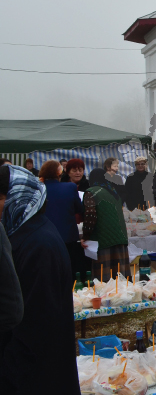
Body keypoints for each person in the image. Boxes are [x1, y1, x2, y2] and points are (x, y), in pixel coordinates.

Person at [0, 165, 80, 394]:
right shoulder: (25, 232)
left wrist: (8, 371)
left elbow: (35, 326)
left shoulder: (39, 245)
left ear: (17, 197)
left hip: (36, 375)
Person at [40, 160, 85, 276]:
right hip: (67, 236)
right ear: (59, 173)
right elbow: (79, 208)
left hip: (45, 237)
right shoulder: (70, 187)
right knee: (68, 271)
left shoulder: (39, 188)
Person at [84, 169, 131, 280]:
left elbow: (90, 216)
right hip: (120, 236)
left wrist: (85, 236)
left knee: (104, 280)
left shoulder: (91, 192)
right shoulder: (113, 191)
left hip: (103, 239)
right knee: (120, 278)